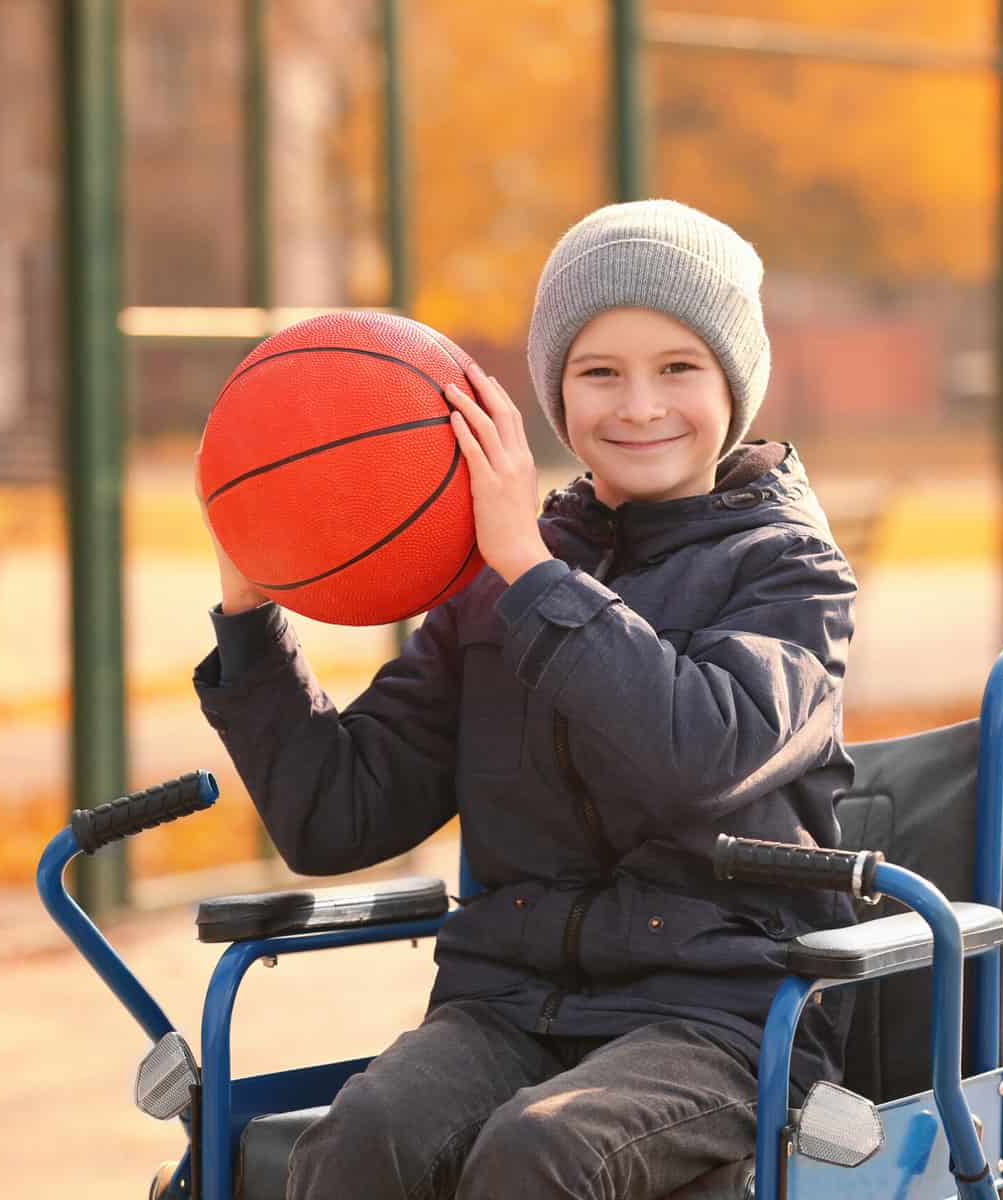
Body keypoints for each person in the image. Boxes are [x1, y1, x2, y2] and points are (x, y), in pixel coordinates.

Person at [194, 199, 858, 1200]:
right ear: (554, 394)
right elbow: (336, 817)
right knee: (363, 1135)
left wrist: (531, 572)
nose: (640, 405)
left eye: (679, 367)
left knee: (540, 1153)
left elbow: (700, 757)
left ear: (737, 384)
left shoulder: (792, 576)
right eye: (600, 372)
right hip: (506, 1005)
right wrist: (250, 615)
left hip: (720, 1017)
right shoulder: (492, 589)